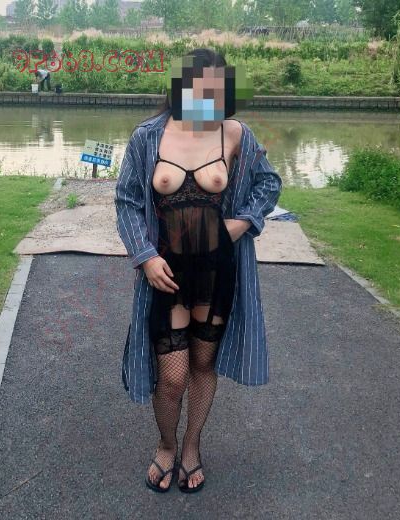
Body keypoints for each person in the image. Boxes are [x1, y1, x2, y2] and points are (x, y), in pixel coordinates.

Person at [115, 48, 283, 493]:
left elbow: (269, 183)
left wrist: (242, 223)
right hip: (166, 275)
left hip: (217, 271)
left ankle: (191, 446)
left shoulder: (235, 133)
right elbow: (127, 201)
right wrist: (145, 256)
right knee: (171, 378)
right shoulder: (148, 137)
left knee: (203, 364)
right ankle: (166, 444)